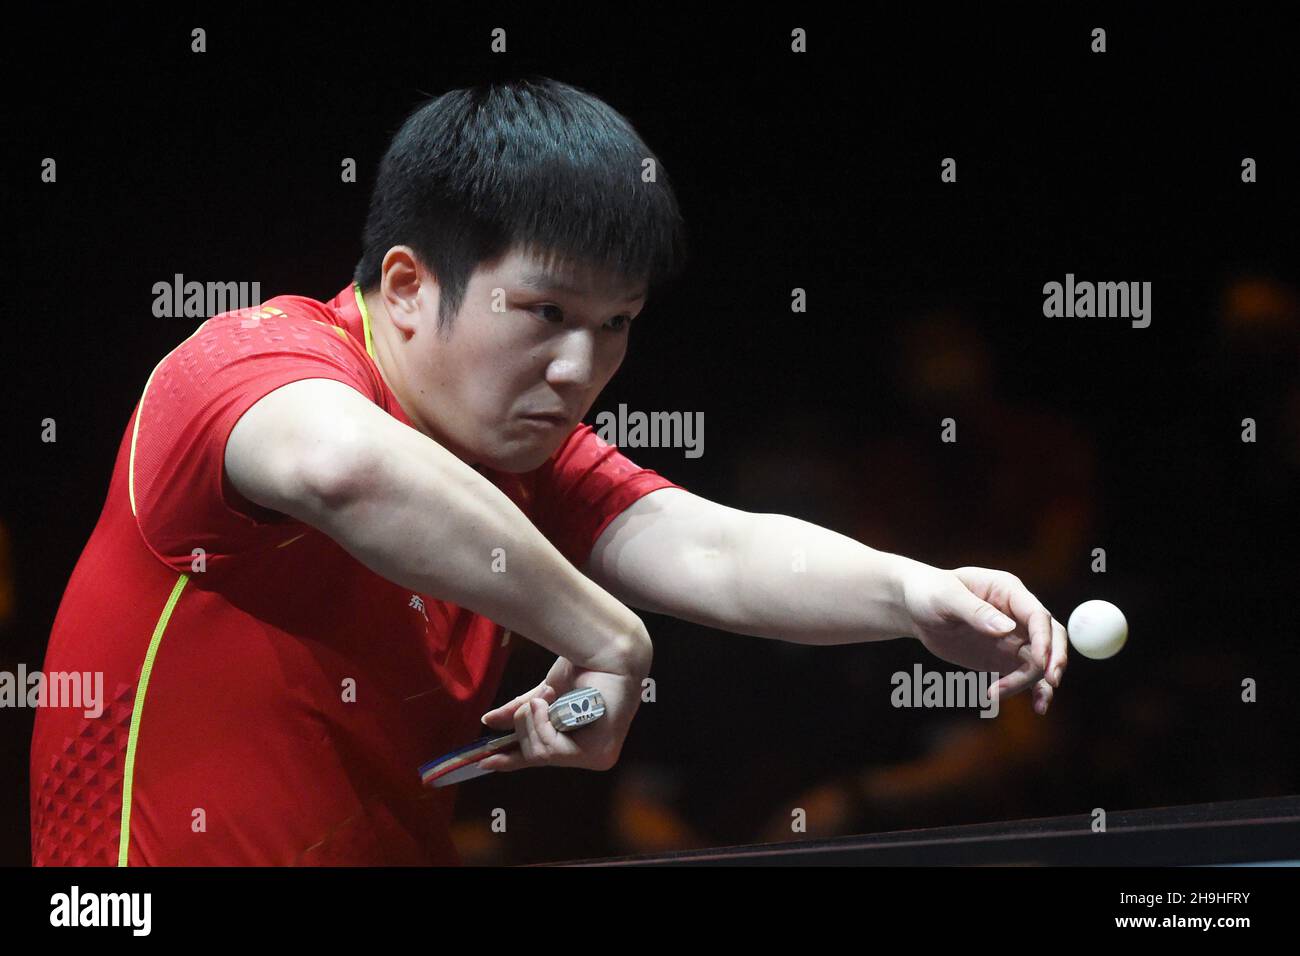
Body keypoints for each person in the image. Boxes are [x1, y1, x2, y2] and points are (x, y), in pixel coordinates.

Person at [30, 77, 1067, 866]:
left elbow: (713, 543)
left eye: (615, 325)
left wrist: (914, 592)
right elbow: (340, 464)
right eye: (546, 314)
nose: (582, 368)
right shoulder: (243, 366)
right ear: (406, 284)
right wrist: (607, 634)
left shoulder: (514, 459)